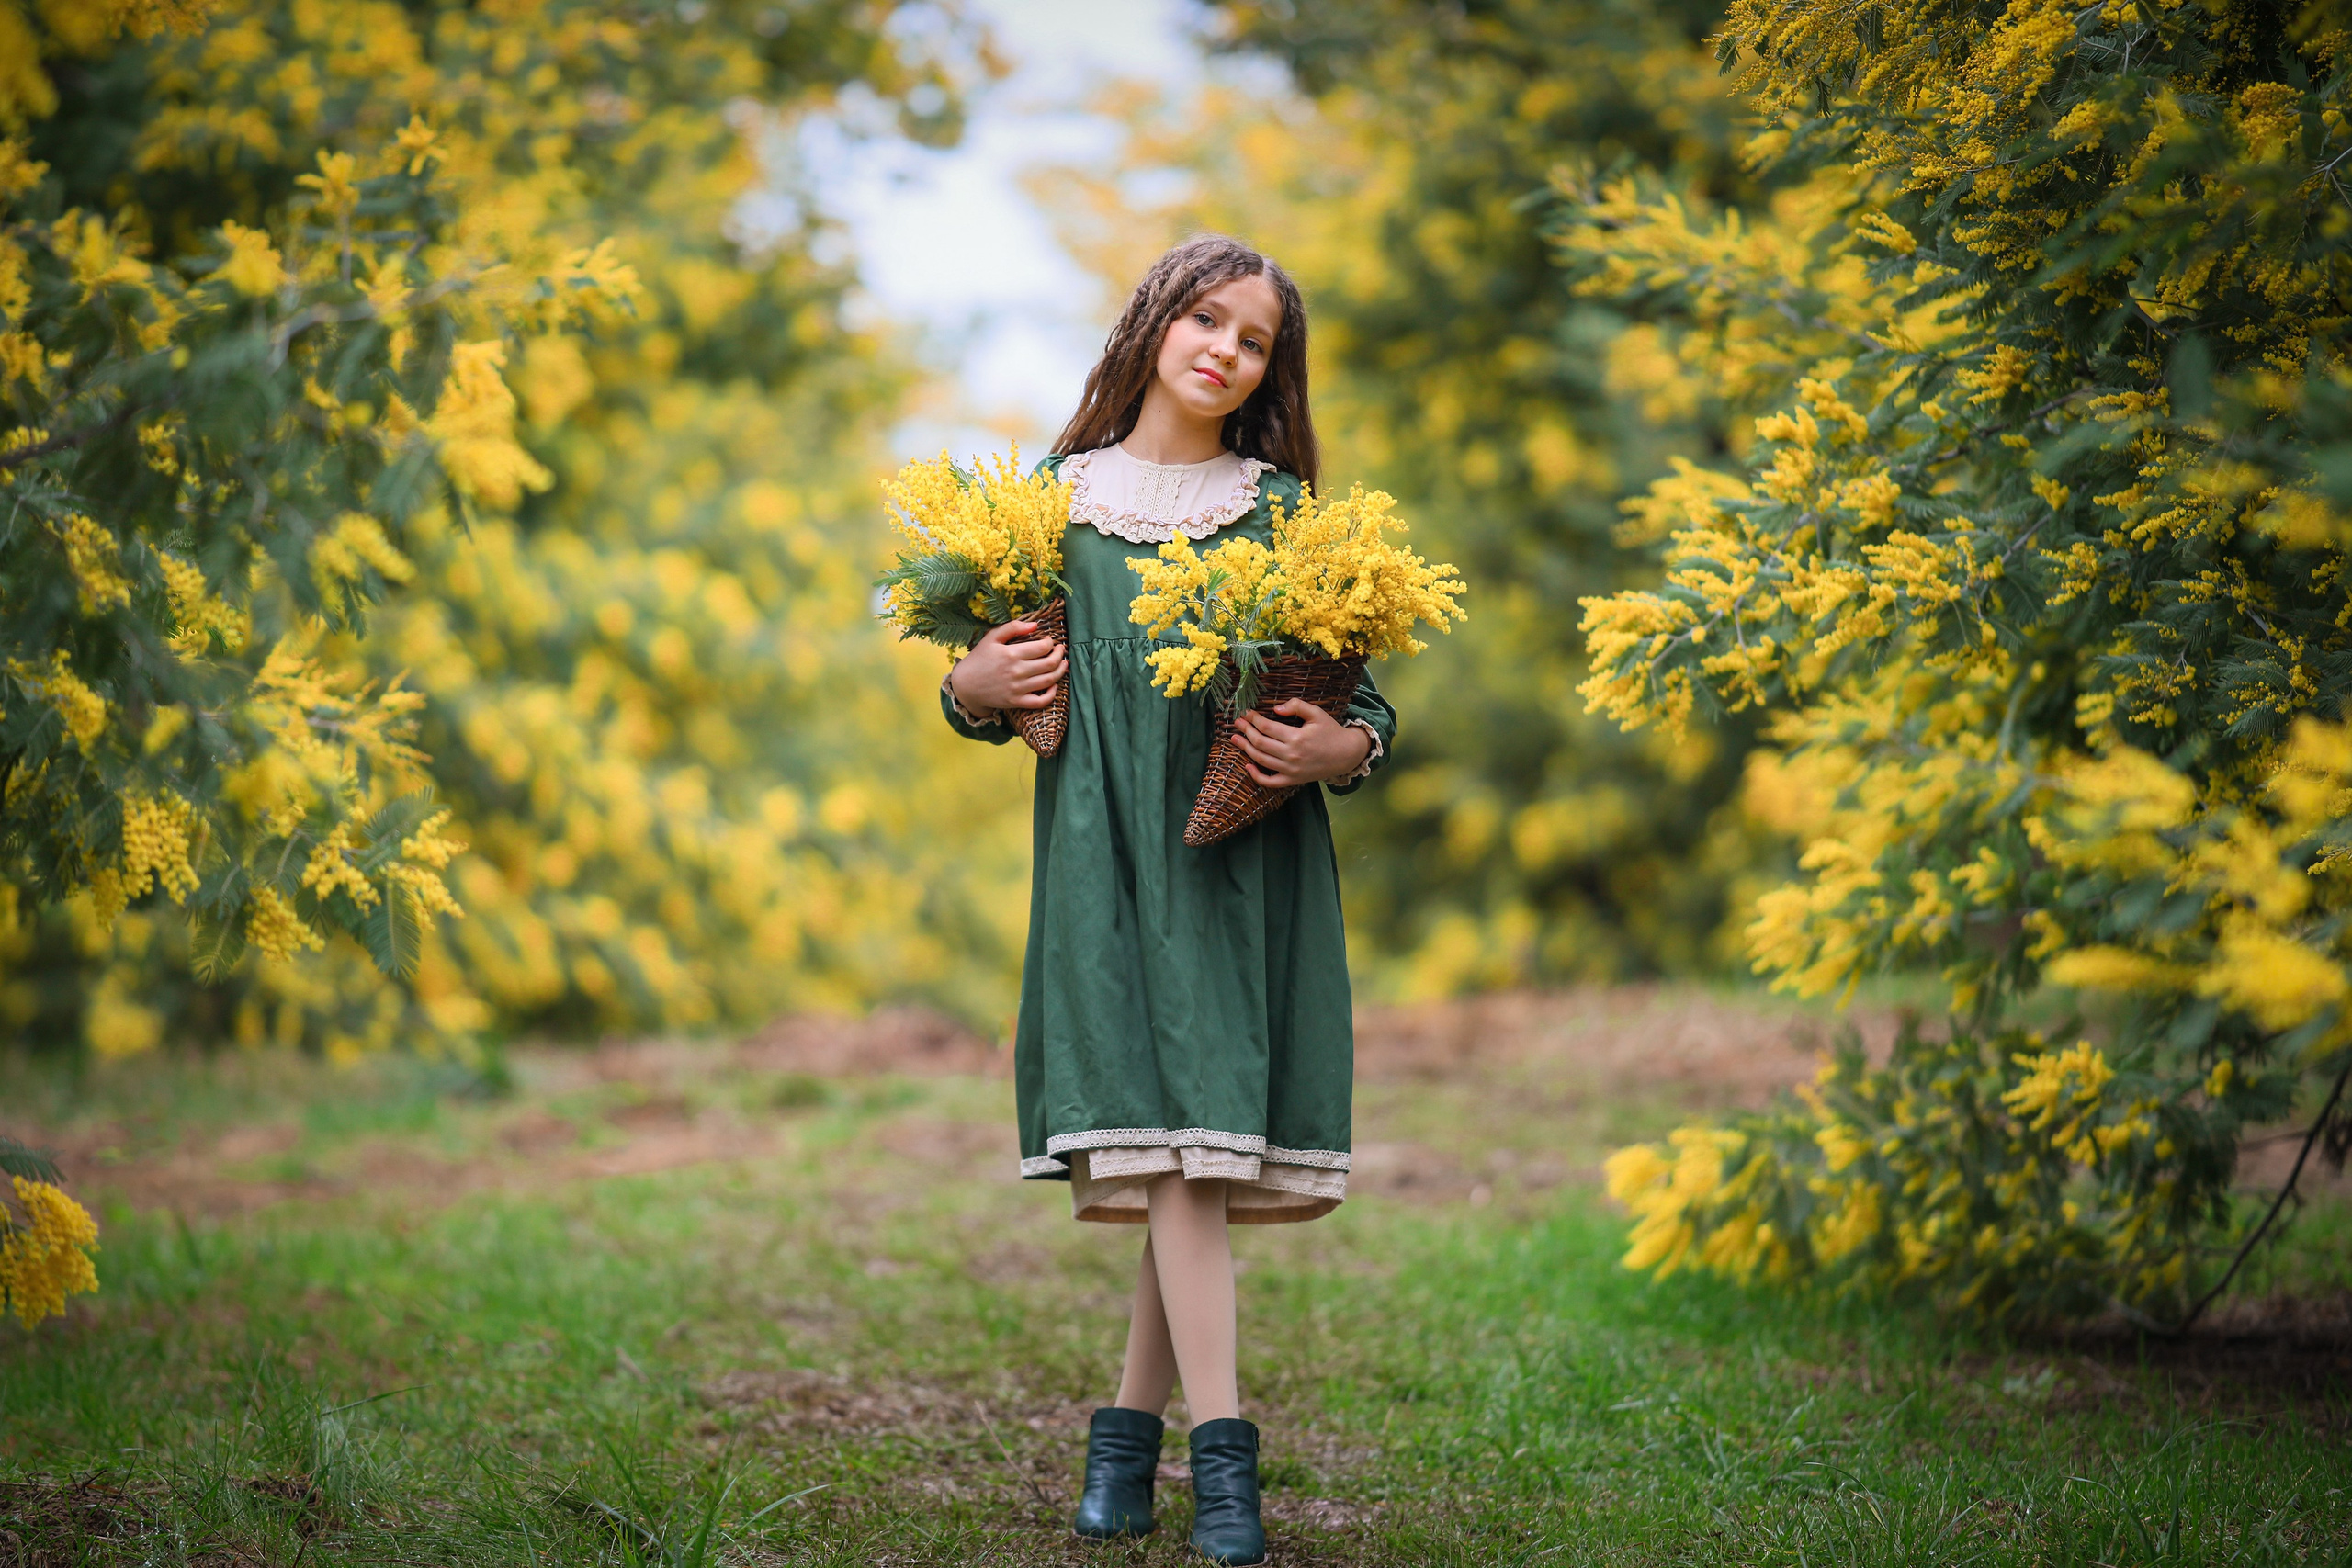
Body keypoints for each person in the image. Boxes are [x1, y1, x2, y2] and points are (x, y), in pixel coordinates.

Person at [939, 234, 1395, 1566]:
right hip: (1104, 864)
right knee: (1176, 1153)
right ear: (1152, 322)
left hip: (1244, 870)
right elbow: (987, 680)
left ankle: (1174, 1462)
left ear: (1269, 371)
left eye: (1253, 341)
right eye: (1206, 319)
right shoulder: (1052, 504)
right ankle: (1171, 1459)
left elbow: (1360, 708)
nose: (1225, 351)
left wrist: (1337, 750)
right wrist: (970, 689)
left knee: (1188, 1158)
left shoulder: (1287, 514)